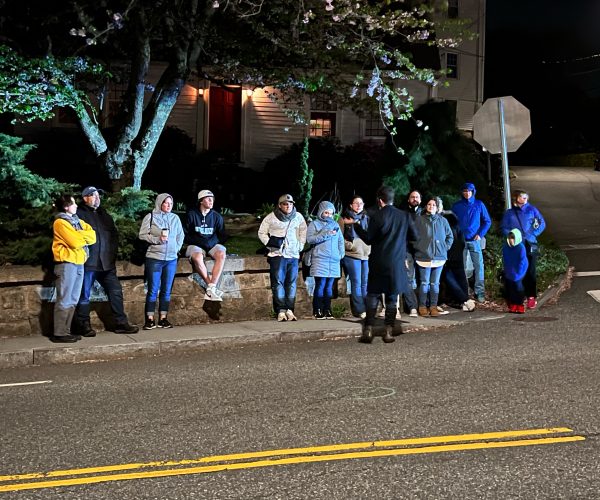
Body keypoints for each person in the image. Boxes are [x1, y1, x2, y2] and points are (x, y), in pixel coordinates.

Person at [345, 186, 417, 344]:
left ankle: (368, 328)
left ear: (380, 200)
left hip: (378, 261)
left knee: (373, 294)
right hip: (396, 261)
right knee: (392, 296)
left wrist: (355, 225)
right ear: (392, 199)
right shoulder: (404, 216)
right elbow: (415, 236)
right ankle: (388, 331)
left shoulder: (376, 216)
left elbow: (369, 238)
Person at [72, 186, 139, 336]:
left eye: (98, 195)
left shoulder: (105, 215)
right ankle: (83, 324)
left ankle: (121, 323)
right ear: (85, 198)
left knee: (116, 292)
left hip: (107, 263)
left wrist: (112, 254)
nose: (97, 198)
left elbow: (114, 235)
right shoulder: (79, 214)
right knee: (84, 295)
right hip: (88, 263)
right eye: (93, 195)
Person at [51, 194, 96, 343]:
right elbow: (75, 242)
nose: (76, 205)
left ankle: (66, 331)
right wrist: (81, 236)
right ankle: (59, 332)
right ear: (66, 207)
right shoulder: (60, 222)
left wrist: (78, 234)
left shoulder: (77, 221)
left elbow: (93, 236)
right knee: (65, 299)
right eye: (73, 203)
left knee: (73, 299)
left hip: (79, 262)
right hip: (67, 263)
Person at [257, 194, 307, 321]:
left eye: (290, 203)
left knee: (291, 283)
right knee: (278, 282)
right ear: (280, 205)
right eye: (285, 204)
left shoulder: (298, 216)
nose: (288, 206)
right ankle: (281, 310)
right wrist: (269, 244)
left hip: (293, 254)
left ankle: (290, 309)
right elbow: (262, 232)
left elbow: (303, 231)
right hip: (277, 254)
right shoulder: (271, 217)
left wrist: (300, 245)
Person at [139, 193, 184, 330]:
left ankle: (163, 318)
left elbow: (180, 235)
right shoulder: (151, 217)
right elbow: (142, 235)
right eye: (166, 203)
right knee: (153, 289)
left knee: (166, 289)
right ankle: (150, 318)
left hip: (171, 259)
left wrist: (176, 249)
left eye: (171, 203)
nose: (169, 206)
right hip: (155, 258)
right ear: (160, 203)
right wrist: (157, 240)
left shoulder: (175, 218)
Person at [500, 189, 546, 309]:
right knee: (518, 270)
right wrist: (512, 236)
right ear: (516, 198)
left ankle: (531, 296)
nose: (525, 198)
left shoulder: (532, 210)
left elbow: (542, 223)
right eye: (522, 196)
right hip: (516, 245)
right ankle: (519, 296)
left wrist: (533, 234)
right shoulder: (509, 213)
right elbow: (503, 227)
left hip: (530, 243)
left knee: (531, 270)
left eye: (526, 197)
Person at [451, 182, 491, 303]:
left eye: (469, 191)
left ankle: (479, 292)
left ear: (473, 192)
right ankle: (464, 291)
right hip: (461, 241)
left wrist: (480, 234)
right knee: (462, 267)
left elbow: (487, 221)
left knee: (479, 267)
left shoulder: (479, 204)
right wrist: (456, 236)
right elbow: (452, 223)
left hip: (475, 241)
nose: (467, 193)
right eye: (464, 191)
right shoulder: (457, 206)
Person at [184, 189, 227, 301]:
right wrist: (199, 242)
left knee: (221, 254)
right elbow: (184, 234)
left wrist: (212, 242)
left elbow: (223, 236)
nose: (211, 201)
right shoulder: (191, 214)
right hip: (195, 244)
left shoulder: (217, 216)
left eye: (212, 199)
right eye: (208, 199)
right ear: (201, 201)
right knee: (197, 257)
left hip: (211, 244)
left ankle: (212, 287)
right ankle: (211, 287)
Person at [413, 197, 453, 316]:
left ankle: (433, 306)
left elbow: (450, 236)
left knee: (435, 283)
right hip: (423, 257)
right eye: (429, 204)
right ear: (426, 206)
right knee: (424, 283)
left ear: (437, 207)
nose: (431, 206)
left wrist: (444, 247)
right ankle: (422, 306)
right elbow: (412, 236)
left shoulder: (443, 221)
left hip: (439, 257)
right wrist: (419, 247)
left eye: (434, 205)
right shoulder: (419, 220)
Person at [307, 201, 345, 319]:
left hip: (334, 260)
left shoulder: (335, 224)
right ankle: (317, 310)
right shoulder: (314, 224)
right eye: (326, 213)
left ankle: (327, 309)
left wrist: (340, 254)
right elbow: (310, 239)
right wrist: (326, 233)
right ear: (321, 212)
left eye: (331, 213)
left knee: (329, 286)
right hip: (320, 259)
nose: (329, 215)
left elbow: (340, 240)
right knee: (320, 285)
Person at [438, 198, 475, 312]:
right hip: (458, 252)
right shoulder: (452, 217)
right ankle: (464, 300)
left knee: (449, 278)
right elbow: (460, 237)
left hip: (448, 254)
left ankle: (463, 300)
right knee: (460, 277)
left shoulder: (441, 220)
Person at [338, 196, 370, 318]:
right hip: (352, 254)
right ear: (351, 205)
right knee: (356, 282)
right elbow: (339, 237)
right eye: (356, 203)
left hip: (365, 254)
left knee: (365, 283)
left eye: (361, 203)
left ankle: (367, 308)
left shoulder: (367, 218)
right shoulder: (344, 219)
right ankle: (360, 310)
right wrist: (348, 245)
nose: (359, 205)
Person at [502, 228, 528, 314]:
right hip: (510, 270)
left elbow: (522, 261)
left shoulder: (521, 248)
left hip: (519, 270)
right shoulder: (506, 247)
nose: (511, 240)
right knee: (510, 288)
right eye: (510, 238)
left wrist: (518, 273)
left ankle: (520, 304)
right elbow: (505, 260)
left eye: (513, 238)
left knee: (518, 287)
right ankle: (513, 304)